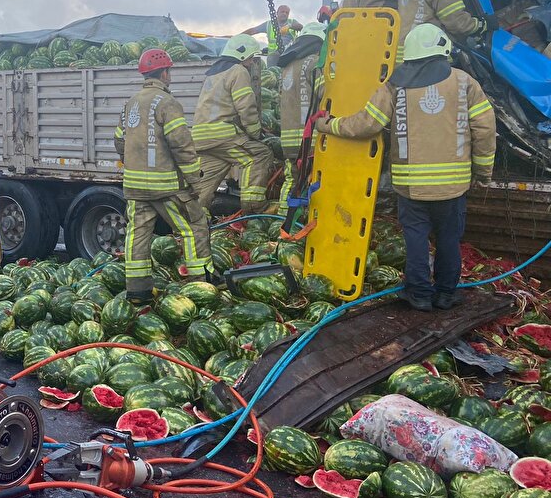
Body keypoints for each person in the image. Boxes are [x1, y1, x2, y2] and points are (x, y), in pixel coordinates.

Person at [315, 24, 496, 311]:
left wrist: (326, 123)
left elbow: (366, 124)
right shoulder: (464, 82)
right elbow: (485, 129)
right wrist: (483, 173)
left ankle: (420, 294)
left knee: (416, 239)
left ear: (408, 53)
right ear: (443, 50)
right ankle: (447, 294)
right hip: (453, 186)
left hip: (410, 186)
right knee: (449, 239)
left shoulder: (394, 85)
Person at [114, 49, 211, 300]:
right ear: (165, 72)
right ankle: (200, 281)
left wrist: (132, 162)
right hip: (166, 186)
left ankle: (137, 290)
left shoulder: (130, 103)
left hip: (134, 186)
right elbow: (181, 145)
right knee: (194, 226)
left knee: (137, 233)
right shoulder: (167, 103)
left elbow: (118, 140)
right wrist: (194, 181)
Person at [191, 36, 275, 214]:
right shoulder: (238, 71)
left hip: (201, 138)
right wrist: (256, 134)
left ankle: (192, 219)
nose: (251, 62)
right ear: (242, 53)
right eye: (251, 58)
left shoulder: (212, 73)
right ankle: (254, 208)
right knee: (259, 155)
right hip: (222, 134)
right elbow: (246, 107)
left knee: (206, 181)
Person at [275, 21, 327, 214]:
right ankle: (306, 221)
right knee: (313, 180)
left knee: (292, 179)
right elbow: (325, 93)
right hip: (310, 139)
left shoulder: (287, 67)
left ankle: (282, 222)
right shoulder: (314, 62)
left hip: (288, 139)